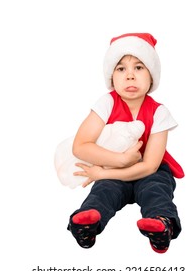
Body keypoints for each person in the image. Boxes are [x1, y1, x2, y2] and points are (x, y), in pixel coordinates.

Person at [67, 33, 184, 254]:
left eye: (139, 68)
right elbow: (81, 145)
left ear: (152, 76)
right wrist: (118, 162)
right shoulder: (106, 103)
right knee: (103, 192)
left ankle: (162, 225)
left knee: (156, 189)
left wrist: (101, 173)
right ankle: (87, 224)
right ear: (112, 77)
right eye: (121, 69)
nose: (130, 76)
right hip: (112, 169)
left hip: (150, 170)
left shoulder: (159, 112)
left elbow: (149, 165)